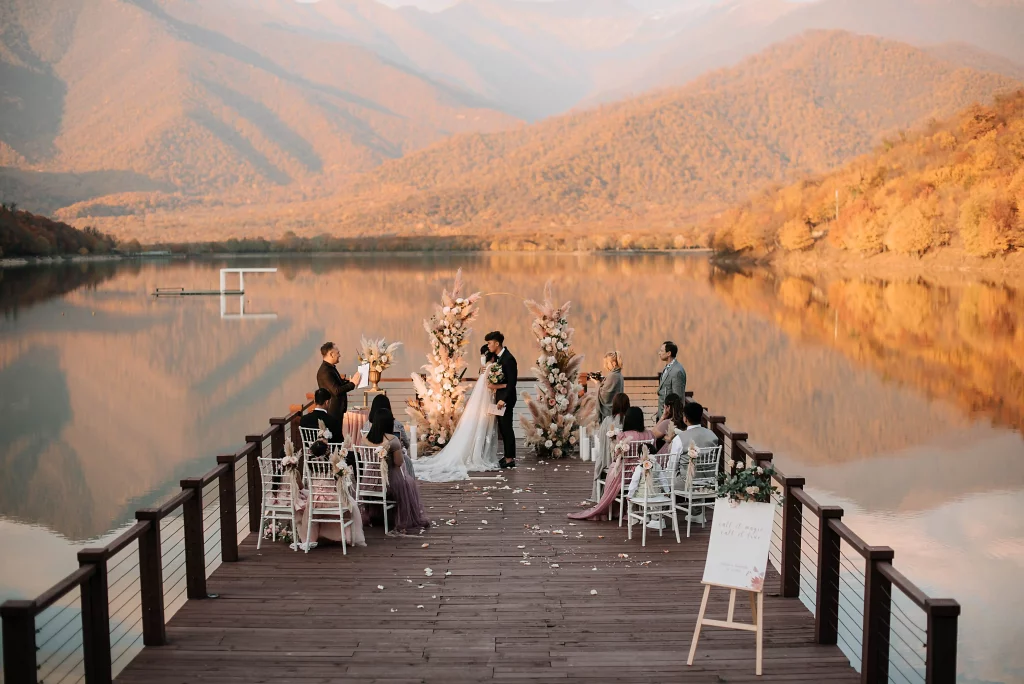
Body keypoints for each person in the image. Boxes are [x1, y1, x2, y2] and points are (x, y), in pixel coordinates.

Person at [412, 345, 502, 482]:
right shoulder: (491, 368)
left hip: (483, 401)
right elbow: (489, 385)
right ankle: (479, 454)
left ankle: (478, 452)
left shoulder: (485, 369)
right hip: (486, 402)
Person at [570, 407, 654, 521]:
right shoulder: (649, 434)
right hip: (644, 473)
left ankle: (613, 508)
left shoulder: (623, 435)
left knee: (612, 469)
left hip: (627, 475)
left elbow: (616, 457)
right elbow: (653, 452)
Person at [363, 408, 430, 534]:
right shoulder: (393, 440)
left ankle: (377, 517)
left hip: (369, 481)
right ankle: (401, 517)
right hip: (388, 481)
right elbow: (398, 463)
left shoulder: (365, 438)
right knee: (409, 484)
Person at [293, 440, 366, 549]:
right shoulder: (334, 464)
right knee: (352, 506)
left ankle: (311, 537)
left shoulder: (310, 465)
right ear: (327, 451)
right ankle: (348, 536)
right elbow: (339, 485)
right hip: (332, 500)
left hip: (315, 501)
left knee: (308, 511)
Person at [485, 331, 519, 469]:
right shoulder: (498, 357)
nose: (488, 346)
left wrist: (503, 399)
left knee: (507, 428)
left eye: (489, 343)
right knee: (503, 428)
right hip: (500, 397)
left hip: (506, 399)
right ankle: (507, 456)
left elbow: (512, 383)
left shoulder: (508, 359)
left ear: (497, 343)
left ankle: (510, 459)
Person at [589, 392, 630, 501]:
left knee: (599, 460)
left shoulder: (607, 420)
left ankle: (601, 496)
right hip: (626, 463)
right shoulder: (629, 421)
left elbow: (600, 438)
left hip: (608, 461)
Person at [316, 341, 362, 425]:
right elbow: (336, 390)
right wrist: (352, 384)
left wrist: (351, 382)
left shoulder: (330, 368)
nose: (340, 355)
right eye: (338, 353)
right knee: (335, 436)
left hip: (336, 411)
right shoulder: (325, 371)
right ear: (331, 354)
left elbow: (338, 384)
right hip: (332, 412)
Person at [656, 341, 687, 417]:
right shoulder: (668, 367)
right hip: (662, 414)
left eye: (661, 351)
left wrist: (670, 416)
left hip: (669, 418)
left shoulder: (677, 371)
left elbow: (678, 397)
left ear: (668, 353)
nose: (659, 353)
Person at [597, 351, 624, 422]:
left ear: (614, 363)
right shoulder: (618, 374)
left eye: (606, 363)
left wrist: (597, 384)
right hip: (617, 411)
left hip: (610, 414)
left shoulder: (613, 376)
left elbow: (605, 396)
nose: (605, 366)